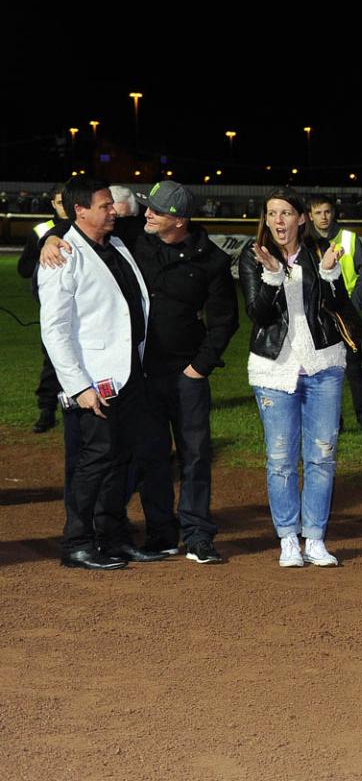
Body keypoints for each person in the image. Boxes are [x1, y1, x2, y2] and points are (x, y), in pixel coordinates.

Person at [39, 180, 240, 564]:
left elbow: (224, 321)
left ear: (178, 220)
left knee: (162, 458)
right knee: (121, 459)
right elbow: (55, 325)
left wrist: (199, 367)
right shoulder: (107, 243)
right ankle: (116, 539)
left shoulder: (194, 256)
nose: (133, 212)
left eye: (156, 210)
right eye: (106, 205)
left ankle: (162, 536)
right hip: (119, 378)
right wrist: (52, 237)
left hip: (161, 377)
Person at [39, 178, 165, 570]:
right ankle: (77, 543)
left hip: (129, 375)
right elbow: (55, 330)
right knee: (95, 461)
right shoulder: (62, 255)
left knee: (122, 459)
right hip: (94, 381)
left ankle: (113, 537)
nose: (114, 211)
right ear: (80, 211)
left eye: (112, 204)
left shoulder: (118, 243)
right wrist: (79, 387)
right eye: (105, 205)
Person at [240, 188, 352, 568]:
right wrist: (272, 277)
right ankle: (288, 539)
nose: (279, 221)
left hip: (324, 366)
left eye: (286, 213)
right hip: (274, 369)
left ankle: (315, 538)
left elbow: (340, 306)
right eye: (272, 213)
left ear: (301, 218)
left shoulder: (321, 252)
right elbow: (258, 315)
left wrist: (331, 274)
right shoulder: (253, 256)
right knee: (281, 458)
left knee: (321, 456)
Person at [309, 194, 362, 436]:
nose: (323, 217)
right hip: (320, 319)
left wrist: (351, 307)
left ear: (334, 213)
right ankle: (333, 423)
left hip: (347, 318)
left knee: (355, 371)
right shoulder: (307, 243)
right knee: (325, 373)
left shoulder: (348, 239)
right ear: (310, 216)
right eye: (318, 213)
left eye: (327, 211)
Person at [18, 183, 67, 433]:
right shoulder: (41, 230)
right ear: (53, 204)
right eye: (60, 202)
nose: (65, 207)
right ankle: (47, 410)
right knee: (53, 360)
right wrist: (43, 254)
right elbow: (23, 269)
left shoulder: (88, 228)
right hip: (53, 309)